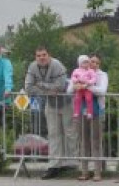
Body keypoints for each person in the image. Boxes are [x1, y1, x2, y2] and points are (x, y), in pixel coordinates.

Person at [24, 45, 78, 178]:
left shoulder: (57, 65)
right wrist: (48, 90)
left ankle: (72, 162)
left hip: (66, 102)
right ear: (35, 57)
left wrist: (40, 85)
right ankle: (54, 165)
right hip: (50, 103)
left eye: (44, 55)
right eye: (38, 55)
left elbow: (60, 86)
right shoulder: (32, 67)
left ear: (49, 55)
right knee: (53, 134)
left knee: (69, 133)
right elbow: (29, 88)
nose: (41, 58)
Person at [77, 52, 108, 181]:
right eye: (91, 61)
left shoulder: (102, 75)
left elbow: (102, 90)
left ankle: (97, 172)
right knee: (84, 141)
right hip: (83, 110)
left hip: (97, 111)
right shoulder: (81, 72)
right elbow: (71, 88)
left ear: (99, 64)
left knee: (96, 141)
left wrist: (88, 86)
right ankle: (84, 171)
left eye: (96, 62)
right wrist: (76, 86)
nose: (93, 64)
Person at [69, 54, 97, 119]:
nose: (86, 64)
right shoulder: (76, 70)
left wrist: (88, 82)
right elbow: (73, 77)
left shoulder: (91, 71)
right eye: (84, 62)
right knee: (77, 99)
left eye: (87, 62)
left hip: (87, 87)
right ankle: (76, 112)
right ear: (80, 63)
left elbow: (94, 78)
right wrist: (76, 80)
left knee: (89, 99)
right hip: (79, 87)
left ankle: (89, 112)